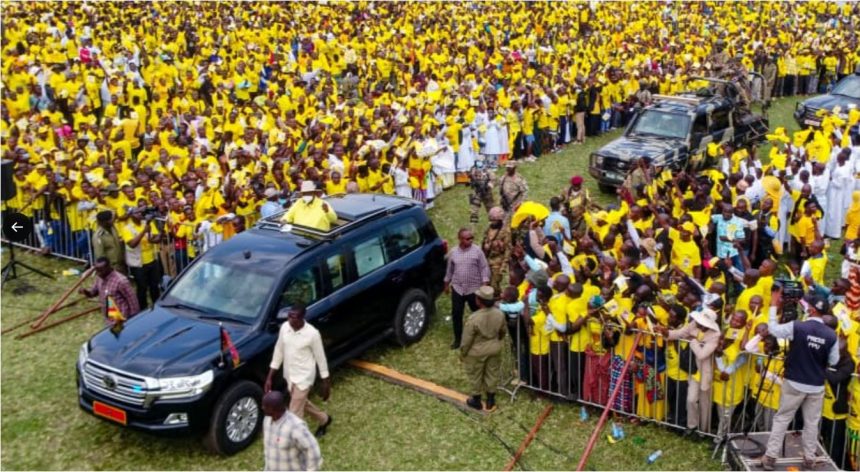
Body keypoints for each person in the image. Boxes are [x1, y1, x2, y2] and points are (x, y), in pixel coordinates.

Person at [760, 287, 839, 471]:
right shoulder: (831, 335)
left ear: (811, 310)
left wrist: (773, 306)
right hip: (816, 385)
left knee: (782, 419)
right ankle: (810, 459)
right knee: (811, 423)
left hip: (794, 381)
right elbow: (834, 361)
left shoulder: (798, 326)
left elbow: (774, 330)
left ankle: (770, 457)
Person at [265, 304, 333, 438]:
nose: (290, 320)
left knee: (294, 413)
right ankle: (324, 419)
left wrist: (326, 383)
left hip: (304, 377)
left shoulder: (312, 334)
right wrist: (269, 377)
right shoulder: (285, 328)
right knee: (302, 403)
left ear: (302, 318)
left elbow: (321, 358)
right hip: (290, 376)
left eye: (294, 317)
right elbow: (279, 351)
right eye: (289, 316)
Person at [656, 305, 720, 436]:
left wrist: (693, 342)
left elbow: (702, 354)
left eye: (703, 323)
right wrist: (665, 332)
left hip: (705, 372)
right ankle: (692, 426)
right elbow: (679, 334)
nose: (699, 324)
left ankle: (703, 431)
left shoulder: (715, 335)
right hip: (693, 371)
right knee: (691, 400)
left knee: (704, 403)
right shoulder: (694, 324)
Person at [460, 285, 506, 411]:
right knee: (492, 372)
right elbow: (503, 332)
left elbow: (467, 339)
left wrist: (463, 352)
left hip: (477, 351)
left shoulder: (474, 318)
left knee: (475, 374)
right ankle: (491, 399)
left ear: (479, 300)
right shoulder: (499, 314)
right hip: (494, 346)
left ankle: (476, 400)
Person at [444, 227, 491, 349]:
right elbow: (450, 270)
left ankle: (481, 336)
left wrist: (485, 283)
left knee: (478, 313)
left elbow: (484, 267)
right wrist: (446, 284)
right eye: (467, 238)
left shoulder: (477, 251)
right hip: (458, 288)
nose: (470, 240)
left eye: (472, 238)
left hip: (474, 289)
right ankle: (458, 340)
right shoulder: (453, 252)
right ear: (460, 239)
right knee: (456, 314)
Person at [262, 390, 322, 472]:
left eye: (265, 406)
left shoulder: (295, 427)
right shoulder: (267, 420)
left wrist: (311, 470)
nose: (262, 408)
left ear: (274, 409)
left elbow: (312, 449)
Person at [120, 207, 162, 310]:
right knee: (142, 287)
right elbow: (132, 244)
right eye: (136, 213)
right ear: (131, 215)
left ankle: (156, 306)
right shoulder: (127, 228)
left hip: (152, 260)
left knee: (154, 285)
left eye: (140, 212)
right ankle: (142, 308)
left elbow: (154, 238)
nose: (139, 214)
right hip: (138, 263)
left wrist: (159, 235)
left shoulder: (147, 223)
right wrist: (144, 231)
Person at [79, 256, 140, 323]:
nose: (98, 273)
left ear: (109, 267)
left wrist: (134, 320)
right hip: (109, 319)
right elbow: (93, 293)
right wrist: (85, 291)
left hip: (121, 318)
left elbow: (133, 301)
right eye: (97, 271)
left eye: (101, 271)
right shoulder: (99, 278)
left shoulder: (121, 281)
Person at [481, 207, 511, 295]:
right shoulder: (488, 229)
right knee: (487, 284)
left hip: (498, 262)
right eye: (492, 220)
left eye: (495, 220)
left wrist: (503, 266)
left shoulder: (505, 231)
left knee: (495, 286)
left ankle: (497, 300)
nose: (493, 222)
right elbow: (483, 242)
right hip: (487, 260)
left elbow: (508, 250)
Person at [92, 210, 126, 274]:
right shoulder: (98, 236)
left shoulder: (112, 228)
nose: (113, 220)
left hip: (121, 264)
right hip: (111, 267)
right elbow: (100, 255)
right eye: (111, 219)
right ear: (105, 222)